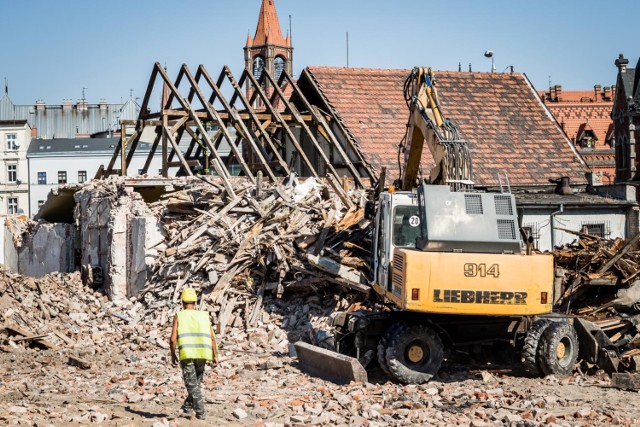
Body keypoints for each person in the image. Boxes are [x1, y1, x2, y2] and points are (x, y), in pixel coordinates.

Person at [169, 287, 219, 420]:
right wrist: (215, 355)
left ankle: (201, 413)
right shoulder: (203, 315)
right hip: (203, 353)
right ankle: (186, 407)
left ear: (182, 302)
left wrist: (173, 354)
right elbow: (212, 337)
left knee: (192, 385)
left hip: (187, 354)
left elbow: (173, 339)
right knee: (195, 384)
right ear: (195, 302)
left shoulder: (179, 315)